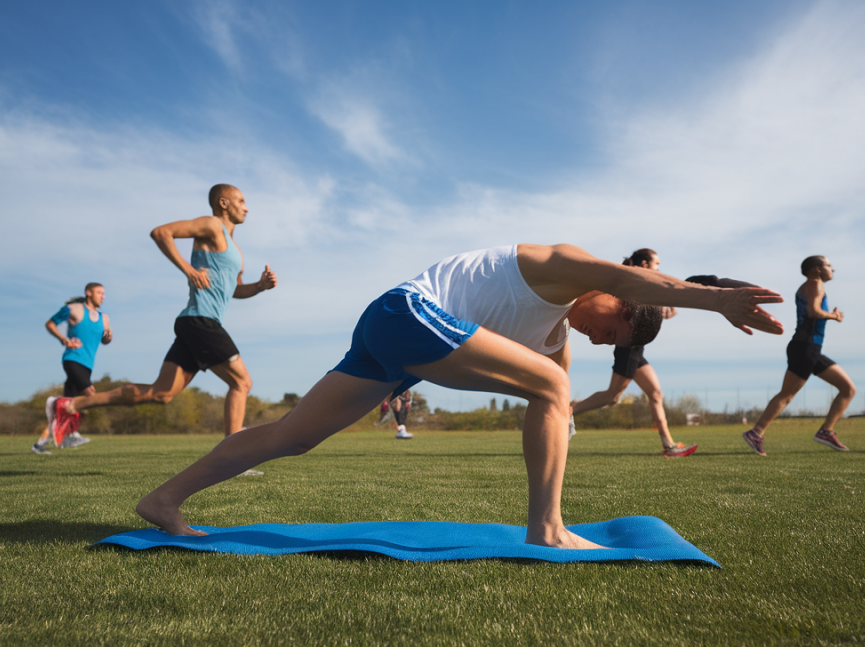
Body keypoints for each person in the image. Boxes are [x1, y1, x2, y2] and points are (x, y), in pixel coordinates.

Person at [132, 243, 783, 546]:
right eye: (610, 327)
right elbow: (636, 282)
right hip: (407, 313)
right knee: (552, 383)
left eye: (609, 340)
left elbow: (554, 396)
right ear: (617, 297)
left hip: (391, 338)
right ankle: (547, 530)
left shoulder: (556, 332)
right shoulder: (563, 263)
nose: (598, 335)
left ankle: (163, 500)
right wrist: (716, 299)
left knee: (293, 436)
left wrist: (562, 415)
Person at [45, 184, 277, 448]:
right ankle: (232, 455)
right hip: (201, 321)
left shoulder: (236, 251)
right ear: (223, 203)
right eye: (241, 201)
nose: (246, 208)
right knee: (242, 383)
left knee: (160, 393)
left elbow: (234, 289)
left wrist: (260, 286)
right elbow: (161, 233)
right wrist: (189, 270)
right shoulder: (212, 225)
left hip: (196, 323)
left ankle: (70, 405)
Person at [570, 248, 696, 457]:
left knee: (655, 394)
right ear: (645, 264)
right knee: (612, 396)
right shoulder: (633, 280)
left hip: (637, 348)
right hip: (628, 347)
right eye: (657, 264)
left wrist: (661, 309)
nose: (658, 269)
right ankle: (566, 411)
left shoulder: (640, 283)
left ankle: (669, 445)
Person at [742, 255, 855, 455]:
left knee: (848, 389)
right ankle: (756, 432)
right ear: (816, 269)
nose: (832, 269)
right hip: (805, 347)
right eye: (828, 265)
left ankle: (826, 431)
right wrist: (834, 315)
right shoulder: (815, 284)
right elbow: (813, 311)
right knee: (787, 395)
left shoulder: (811, 286)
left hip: (811, 348)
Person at [33, 283, 112, 453]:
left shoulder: (104, 318)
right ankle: (71, 433)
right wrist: (64, 339)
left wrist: (108, 337)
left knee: (67, 405)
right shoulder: (74, 309)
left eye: (104, 293)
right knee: (90, 395)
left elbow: (105, 340)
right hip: (72, 359)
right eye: (99, 292)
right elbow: (50, 323)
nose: (103, 296)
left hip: (88, 364)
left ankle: (40, 443)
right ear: (88, 293)